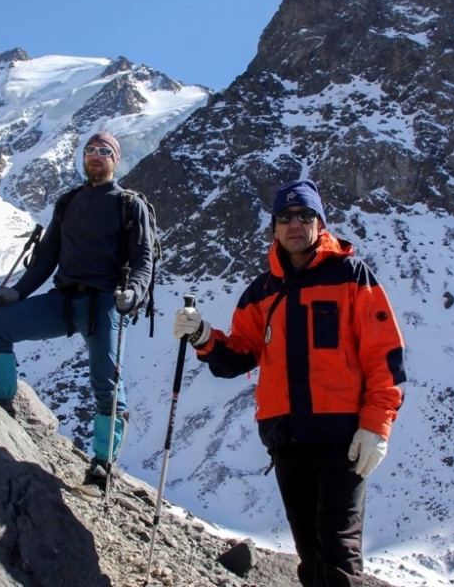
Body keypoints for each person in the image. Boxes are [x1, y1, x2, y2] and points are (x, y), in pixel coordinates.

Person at [172, 178, 406, 587]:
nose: (295, 224)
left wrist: (375, 425)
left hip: (343, 440)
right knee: (310, 555)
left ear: (320, 223)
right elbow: (237, 356)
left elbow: (384, 354)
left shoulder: (351, 276)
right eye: (285, 216)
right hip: (287, 440)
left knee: (337, 551)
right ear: (274, 227)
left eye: (304, 215)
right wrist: (202, 335)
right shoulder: (262, 291)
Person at [0, 131, 154, 490]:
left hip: (104, 301)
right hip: (63, 300)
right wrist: (17, 292)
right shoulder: (68, 202)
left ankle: (101, 467)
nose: (95, 155)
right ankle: (1, 408)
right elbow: (46, 257)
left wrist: (133, 293)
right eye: (90, 150)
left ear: (115, 160)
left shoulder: (129, 204)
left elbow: (143, 260)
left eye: (104, 151)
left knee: (106, 383)